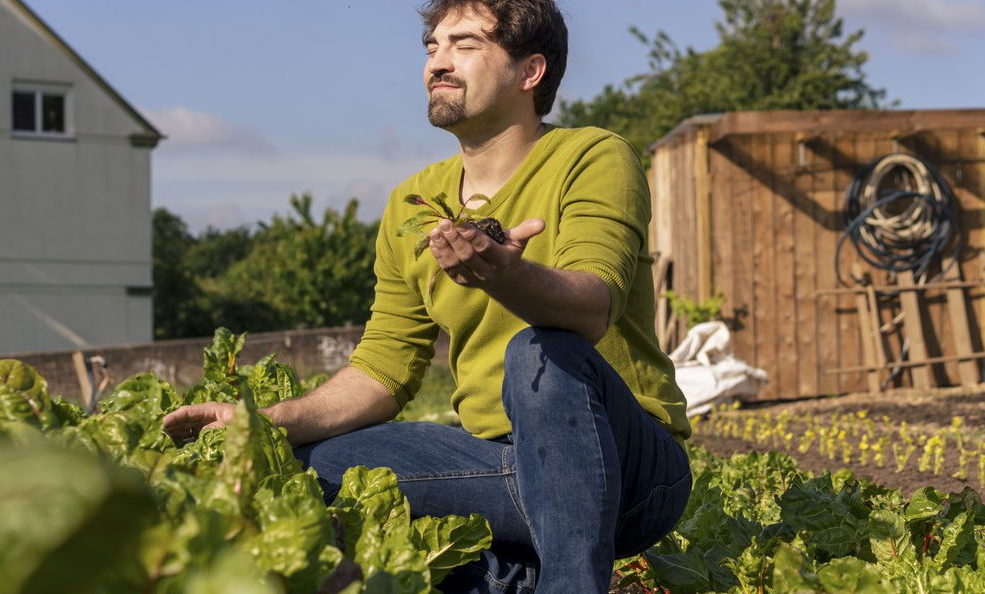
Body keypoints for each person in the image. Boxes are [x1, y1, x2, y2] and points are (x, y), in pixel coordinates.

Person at [163, 1, 692, 590]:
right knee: (309, 462)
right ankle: (504, 575)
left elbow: (593, 306)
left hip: (627, 471)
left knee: (540, 351)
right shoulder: (412, 203)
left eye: (465, 45)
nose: (437, 63)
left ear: (530, 71)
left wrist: (505, 276)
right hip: (499, 465)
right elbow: (382, 369)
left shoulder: (592, 156)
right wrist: (261, 424)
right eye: (432, 47)